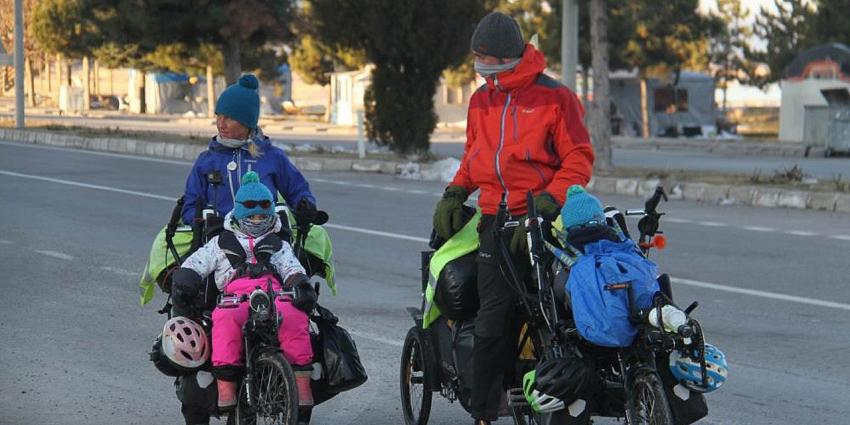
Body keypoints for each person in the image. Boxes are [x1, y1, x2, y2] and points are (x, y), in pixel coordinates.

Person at [431, 11, 594, 425]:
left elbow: (578, 159)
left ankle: (575, 394)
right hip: (496, 221)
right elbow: (474, 157)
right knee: (493, 317)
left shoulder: (555, 98)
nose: (478, 65)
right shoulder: (481, 100)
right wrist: (456, 191)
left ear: (506, 57)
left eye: (483, 57)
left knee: (558, 310)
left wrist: (550, 201)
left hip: (545, 217)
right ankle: (485, 411)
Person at [171, 171, 318, 423]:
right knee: (225, 319)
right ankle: (226, 385)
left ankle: (301, 383)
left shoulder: (278, 244)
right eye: (252, 215)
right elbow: (197, 263)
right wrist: (186, 279)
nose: (258, 220)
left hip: (273, 295)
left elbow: (291, 267)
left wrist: (300, 284)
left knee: (294, 315)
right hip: (235, 297)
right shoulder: (221, 243)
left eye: (263, 215)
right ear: (240, 213)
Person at [181, 73, 318, 235]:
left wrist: (305, 206)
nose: (221, 124)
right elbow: (190, 206)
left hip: (267, 239)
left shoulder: (272, 157)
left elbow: (298, 191)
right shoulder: (207, 161)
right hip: (218, 240)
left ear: (247, 122)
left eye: (229, 118)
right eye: (219, 116)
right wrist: (202, 223)